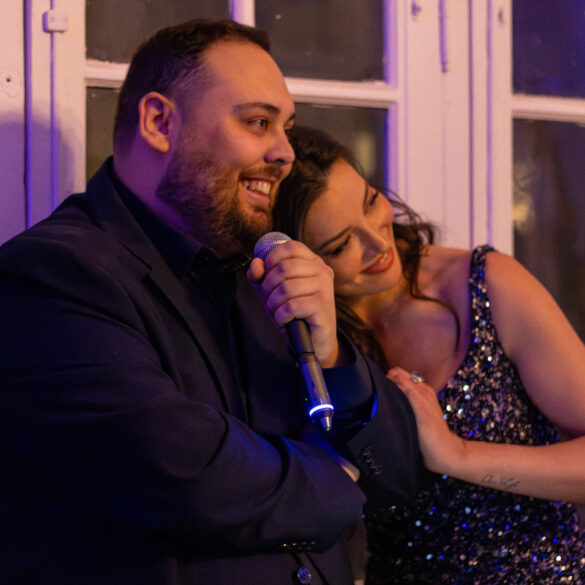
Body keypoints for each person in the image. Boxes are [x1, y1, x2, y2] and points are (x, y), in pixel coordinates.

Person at [0, 20, 423, 585]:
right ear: (159, 122)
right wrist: (341, 480)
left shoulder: (265, 265)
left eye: (285, 127)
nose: (285, 153)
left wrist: (332, 355)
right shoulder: (50, 275)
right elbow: (183, 475)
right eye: (257, 122)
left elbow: (398, 472)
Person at [273, 125, 585, 584]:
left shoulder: (483, 284)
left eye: (371, 202)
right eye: (341, 245)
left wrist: (458, 454)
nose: (379, 243)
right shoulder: (303, 343)